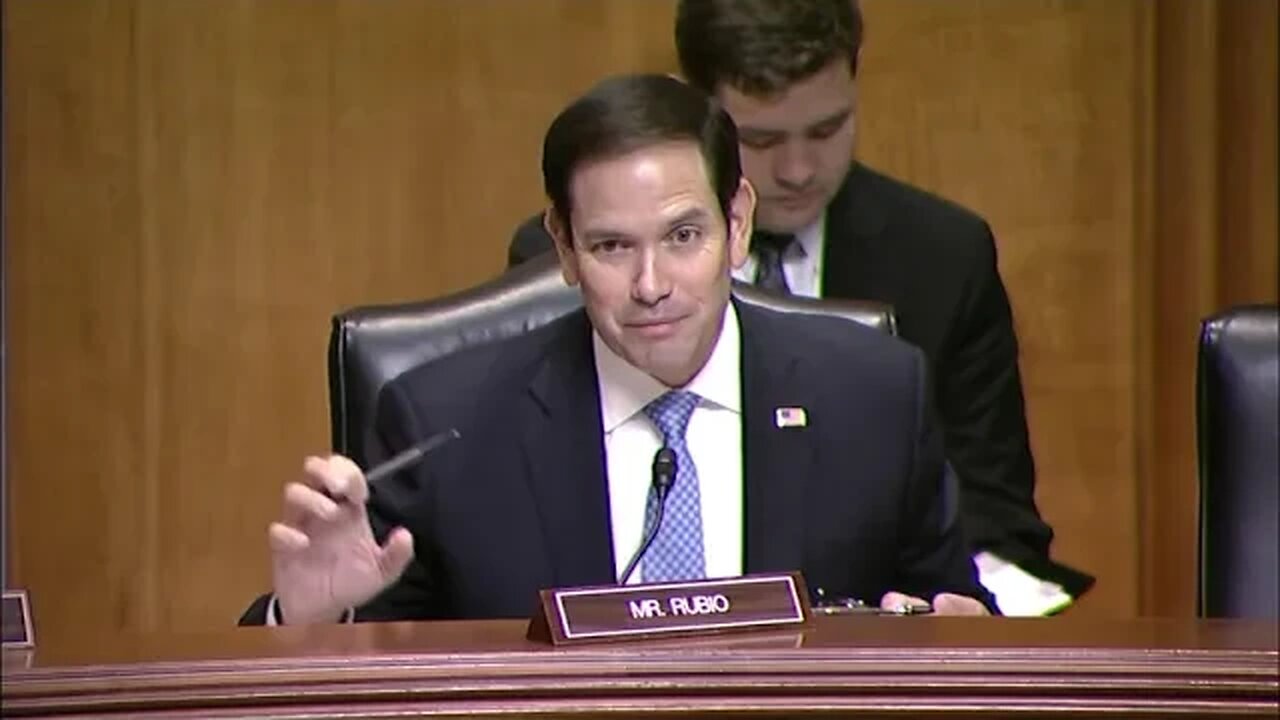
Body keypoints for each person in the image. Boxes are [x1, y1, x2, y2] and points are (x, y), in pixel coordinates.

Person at [241, 74, 992, 626]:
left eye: (683, 236)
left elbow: (946, 617)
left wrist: (965, 644)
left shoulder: (874, 397)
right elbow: (359, 679)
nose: (651, 284)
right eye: (610, 246)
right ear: (563, 247)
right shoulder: (448, 426)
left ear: (737, 225)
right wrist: (306, 620)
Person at [506, 0, 1091, 613]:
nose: (798, 169)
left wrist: (963, 613)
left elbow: (993, 515)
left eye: (826, 129)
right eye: (761, 138)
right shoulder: (566, 259)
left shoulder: (942, 257)